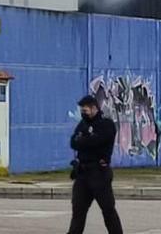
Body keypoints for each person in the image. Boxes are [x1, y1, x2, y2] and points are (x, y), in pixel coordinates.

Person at [67, 95, 123, 234]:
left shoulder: (106, 124)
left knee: (108, 210)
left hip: (99, 173)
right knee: (78, 211)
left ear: (94, 108)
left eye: (85, 110)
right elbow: (73, 142)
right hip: (82, 173)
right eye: (82, 111)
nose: (83, 113)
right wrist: (85, 139)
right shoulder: (82, 124)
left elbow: (97, 142)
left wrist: (84, 139)